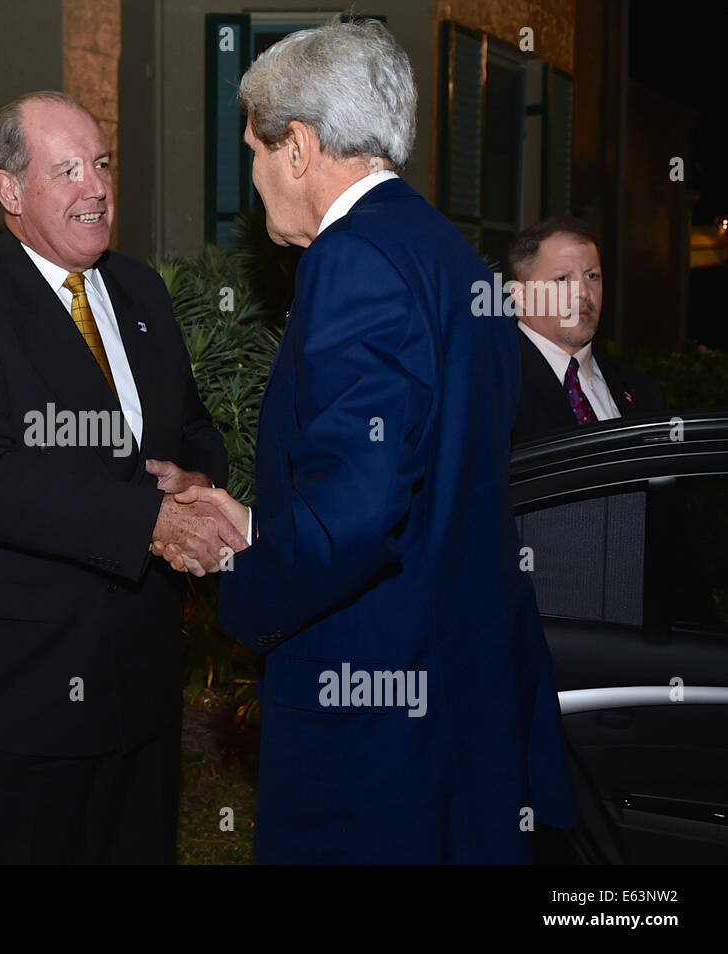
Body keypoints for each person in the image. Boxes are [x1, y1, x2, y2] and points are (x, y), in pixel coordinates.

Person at [161, 19, 578, 862]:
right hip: (458, 702)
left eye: (254, 148)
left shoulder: (352, 261)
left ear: (301, 147)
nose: (251, 174)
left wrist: (241, 576)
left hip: (372, 732)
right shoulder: (452, 258)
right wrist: (256, 523)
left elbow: (357, 520)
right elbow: (420, 486)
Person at [0, 91, 243, 864]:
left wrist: (195, 478)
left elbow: (194, 428)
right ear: (10, 192)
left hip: (144, 694)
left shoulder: (141, 291)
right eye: (67, 170)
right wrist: (146, 522)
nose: (96, 187)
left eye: (103, 164)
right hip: (25, 704)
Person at [507, 216, 666, 444]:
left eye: (592, 276)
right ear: (521, 296)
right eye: (562, 278)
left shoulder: (643, 391)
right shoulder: (491, 385)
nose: (582, 291)